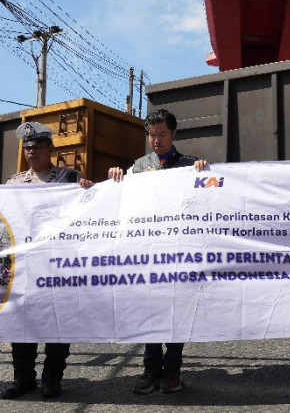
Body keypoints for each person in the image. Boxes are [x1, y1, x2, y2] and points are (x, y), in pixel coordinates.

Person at [108, 109, 207, 395]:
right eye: (152, 135)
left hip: (178, 253)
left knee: (177, 312)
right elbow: (120, 199)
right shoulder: (138, 168)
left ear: (173, 134)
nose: (156, 140)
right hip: (148, 254)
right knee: (150, 311)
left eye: (162, 134)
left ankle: (172, 370)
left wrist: (203, 173)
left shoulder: (190, 166)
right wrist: (116, 177)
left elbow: (205, 202)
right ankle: (150, 369)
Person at [0, 121, 93, 400]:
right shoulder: (14, 183)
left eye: (37, 147)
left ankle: (52, 379)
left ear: (49, 149)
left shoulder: (69, 179)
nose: (31, 152)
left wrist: (89, 191)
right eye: (27, 148)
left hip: (58, 265)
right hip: (26, 265)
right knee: (22, 322)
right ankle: (23, 378)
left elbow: (91, 212)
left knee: (57, 322)